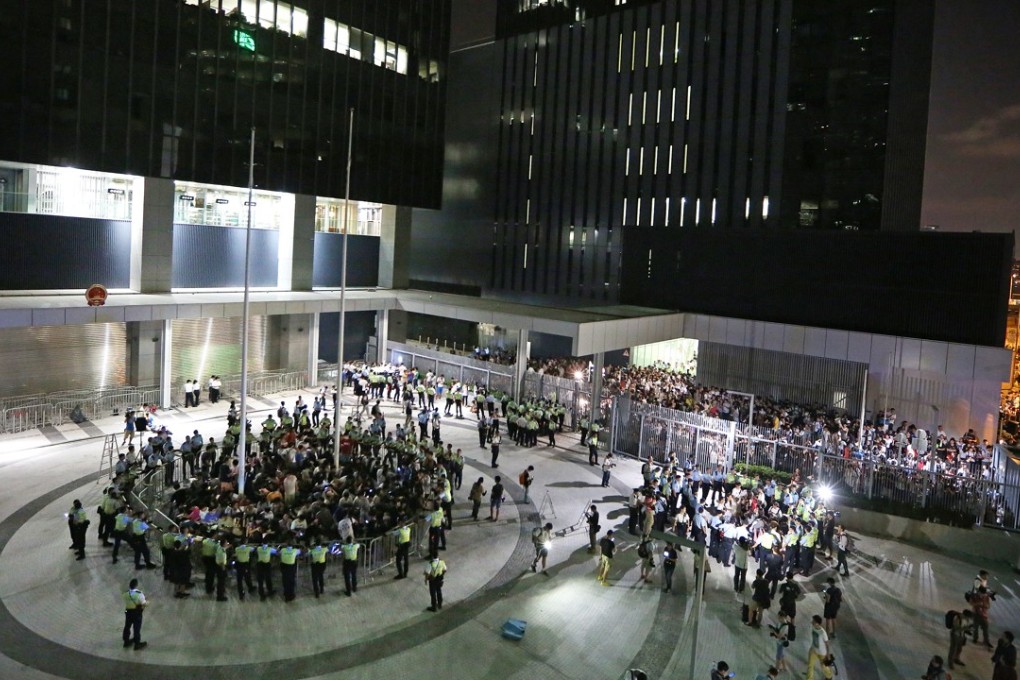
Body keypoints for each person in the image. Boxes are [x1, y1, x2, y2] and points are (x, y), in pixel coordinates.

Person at [122, 578, 148, 650]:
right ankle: (137, 643)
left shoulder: (125, 593)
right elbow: (144, 604)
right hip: (136, 612)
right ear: (136, 585)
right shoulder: (139, 594)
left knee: (127, 626)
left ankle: (126, 641)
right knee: (136, 628)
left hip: (128, 611)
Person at [806, 614, 833, 680]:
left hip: (822, 653)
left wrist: (828, 655)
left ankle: (829, 676)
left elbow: (827, 644)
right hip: (813, 650)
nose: (812, 622)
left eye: (813, 621)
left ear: (817, 623)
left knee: (823, 666)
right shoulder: (813, 628)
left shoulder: (823, 633)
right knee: (810, 665)